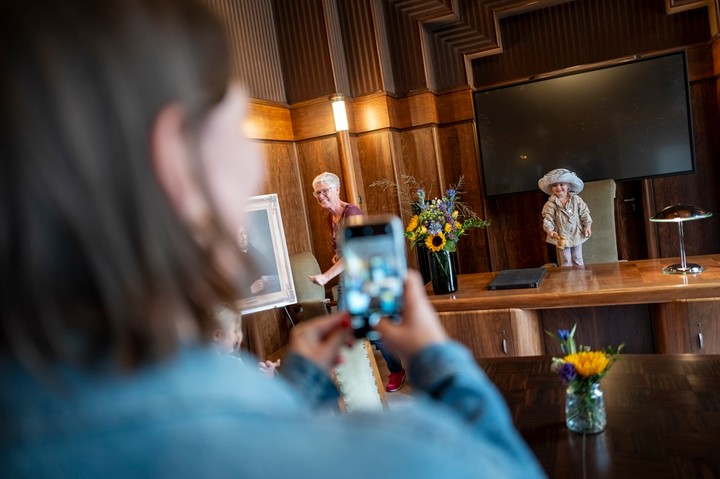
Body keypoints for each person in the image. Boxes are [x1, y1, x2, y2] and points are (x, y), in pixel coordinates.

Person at [0, 1, 544, 477]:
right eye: (239, 130)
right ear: (176, 164)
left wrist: (298, 382)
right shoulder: (408, 459)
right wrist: (441, 364)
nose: (256, 163)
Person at [308, 172, 406, 393]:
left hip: (366, 276)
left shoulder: (351, 212)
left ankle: (396, 369)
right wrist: (337, 257)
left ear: (337, 189)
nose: (321, 195)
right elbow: (343, 251)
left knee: (369, 325)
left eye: (325, 190)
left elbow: (356, 253)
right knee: (345, 325)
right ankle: (349, 377)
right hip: (348, 276)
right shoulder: (330, 217)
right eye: (317, 192)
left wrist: (325, 277)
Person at [539, 168, 593, 266]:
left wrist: (587, 225)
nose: (558, 187)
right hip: (561, 235)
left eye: (561, 184)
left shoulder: (576, 199)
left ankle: (580, 278)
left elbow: (584, 212)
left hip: (576, 233)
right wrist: (549, 231)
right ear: (551, 188)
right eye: (554, 185)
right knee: (565, 259)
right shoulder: (551, 204)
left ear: (568, 185)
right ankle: (568, 278)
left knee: (577, 257)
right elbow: (548, 218)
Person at [212, 304, 280, 377]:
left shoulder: (231, 356)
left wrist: (262, 372)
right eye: (235, 331)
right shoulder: (230, 364)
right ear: (217, 335)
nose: (238, 336)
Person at [237, 224, 279, 297]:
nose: (241, 238)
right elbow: (228, 293)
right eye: (236, 235)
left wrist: (266, 281)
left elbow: (275, 274)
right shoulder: (229, 258)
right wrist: (250, 290)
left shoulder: (256, 253)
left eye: (243, 233)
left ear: (248, 236)